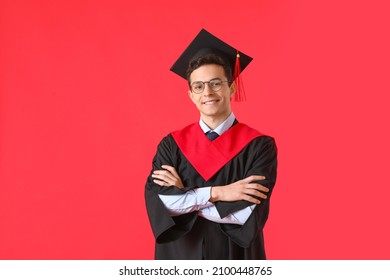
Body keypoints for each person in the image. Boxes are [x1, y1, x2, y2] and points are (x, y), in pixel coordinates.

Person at [145, 29, 277, 260]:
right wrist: (220, 193)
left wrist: (188, 199)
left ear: (231, 87)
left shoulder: (259, 146)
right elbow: (164, 204)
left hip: (235, 257)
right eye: (199, 86)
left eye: (216, 83)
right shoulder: (171, 145)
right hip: (179, 255)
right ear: (191, 95)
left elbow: (246, 213)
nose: (207, 92)